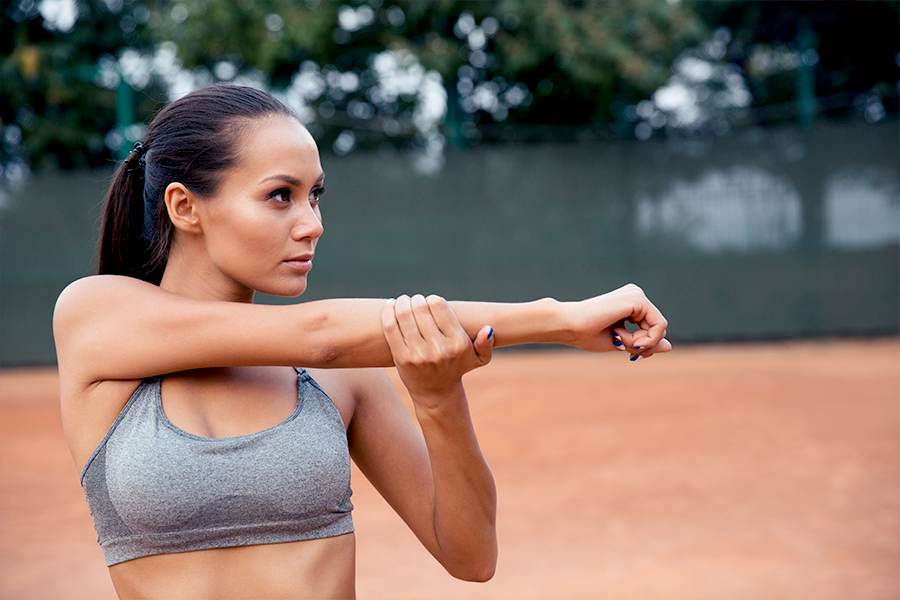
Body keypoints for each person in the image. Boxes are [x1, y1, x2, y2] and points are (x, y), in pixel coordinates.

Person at [53, 84, 670, 599]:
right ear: (186, 207)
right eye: (280, 196)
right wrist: (558, 319)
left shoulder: (346, 374)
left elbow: (471, 555)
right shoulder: (96, 316)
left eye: (315, 194)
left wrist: (438, 399)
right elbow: (317, 335)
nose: (312, 224)